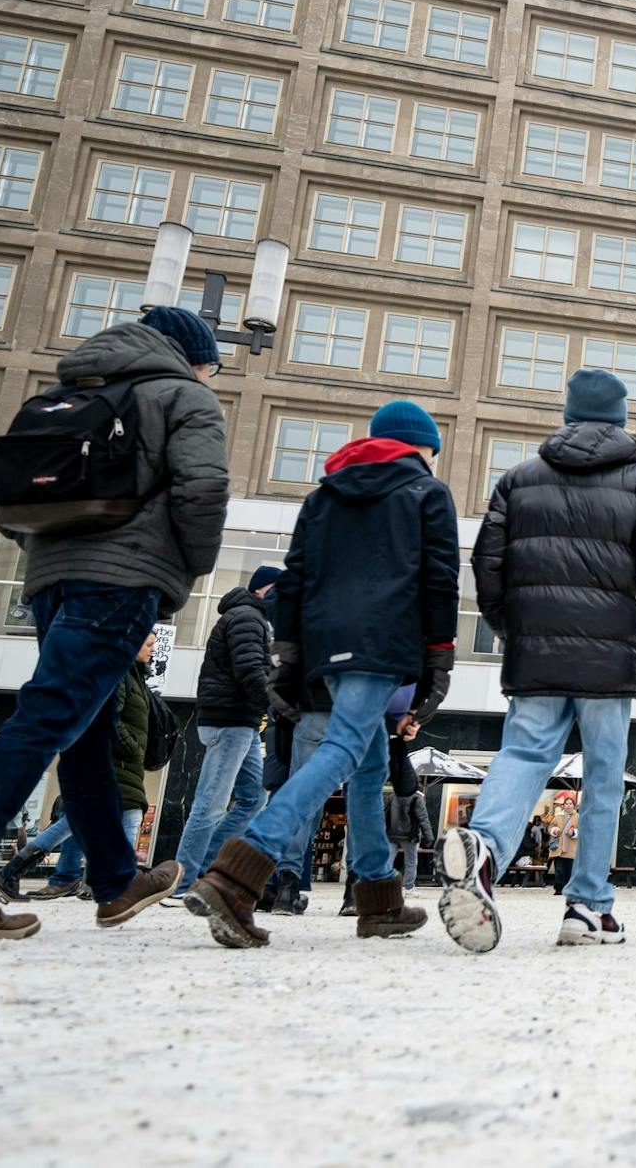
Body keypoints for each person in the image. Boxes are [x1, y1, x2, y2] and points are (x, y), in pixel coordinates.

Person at [0, 308, 228, 941]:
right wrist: (183, 570)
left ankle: (117, 884)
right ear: (190, 356)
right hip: (123, 579)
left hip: (49, 580)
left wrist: (55, 543)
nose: (211, 378)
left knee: (84, 727)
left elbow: (7, 502)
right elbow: (202, 489)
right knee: (49, 716)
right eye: (211, 365)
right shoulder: (184, 396)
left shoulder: (64, 394)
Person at [183, 400, 458, 948]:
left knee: (368, 758)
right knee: (344, 749)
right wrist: (438, 656)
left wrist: (289, 657)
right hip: (383, 641)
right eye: (433, 450)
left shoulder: (324, 495)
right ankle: (238, 872)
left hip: (325, 645)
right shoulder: (427, 492)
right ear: (421, 447)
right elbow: (438, 578)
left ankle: (378, 894)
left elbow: (296, 579)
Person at [431, 370, 636, 949]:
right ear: (621, 420)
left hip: (536, 650)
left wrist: (515, 629)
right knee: (601, 779)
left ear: (567, 416)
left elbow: (487, 570)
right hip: (607, 659)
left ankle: (487, 846)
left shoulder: (518, 480)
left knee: (523, 752)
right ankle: (588, 908)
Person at [0, 633, 161, 901]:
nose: (153, 649)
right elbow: (107, 718)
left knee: (73, 822)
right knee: (128, 818)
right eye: (149, 644)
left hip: (119, 764)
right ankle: (121, 886)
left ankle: (10, 871)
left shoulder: (132, 675)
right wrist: (130, 747)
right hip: (113, 762)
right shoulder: (118, 675)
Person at [170, 566, 278, 901]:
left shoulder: (253, 619)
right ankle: (183, 880)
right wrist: (277, 706)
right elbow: (250, 670)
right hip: (229, 718)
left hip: (241, 719)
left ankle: (205, 866)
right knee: (211, 803)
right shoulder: (246, 617)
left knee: (253, 797)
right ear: (263, 589)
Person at [385, 780, 434, 892]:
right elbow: (423, 818)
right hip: (410, 836)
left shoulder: (392, 796)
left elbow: (385, 814)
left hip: (391, 834)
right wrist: (429, 836)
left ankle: (383, 884)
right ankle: (408, 887)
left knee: (388, 860)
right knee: (411, 861)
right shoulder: (417, 798)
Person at [549, 800, 578, 895]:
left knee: (569, 870)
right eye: (566, 804)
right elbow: (550, 827)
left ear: (574, 806)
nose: (568, 805)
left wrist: (573, 833)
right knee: (559, 870)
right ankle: (558, 889)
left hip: (571, 848)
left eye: (570, 804)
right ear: (563, 805)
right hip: (558, 848)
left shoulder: (578, 817)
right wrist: (554, 830)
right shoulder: (558, 816)